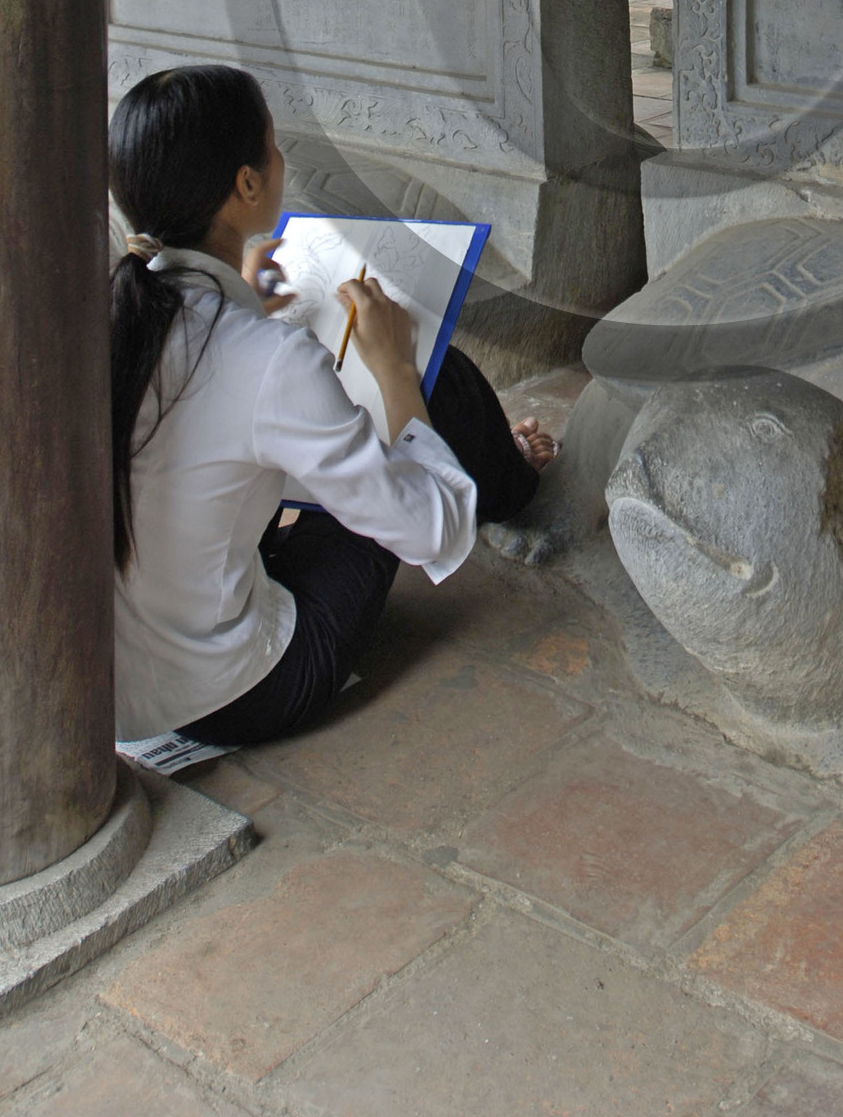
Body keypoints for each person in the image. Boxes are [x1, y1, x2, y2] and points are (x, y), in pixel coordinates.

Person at [109, 62, 555, 747]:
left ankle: (501, 463)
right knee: (435, 381)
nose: (279, 158)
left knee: (343, 445)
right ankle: (509, 476)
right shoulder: (266, 360)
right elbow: (429, 531)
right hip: (241, 690)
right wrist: (396, 367)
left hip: (128, 678)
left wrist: (238, 291)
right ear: (247, 183)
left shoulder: (116, 315)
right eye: (273, 144)